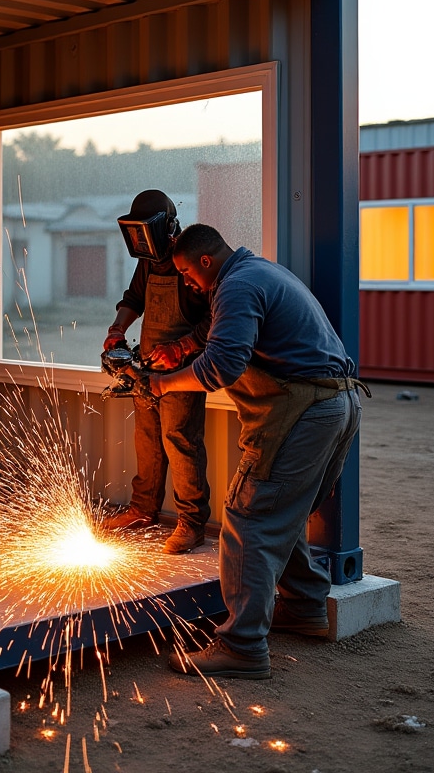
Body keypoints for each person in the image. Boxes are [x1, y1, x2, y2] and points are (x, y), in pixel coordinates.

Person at [149, 223, 368, 679]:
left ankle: (242, 646)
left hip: (304, 412)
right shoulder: (259, 272)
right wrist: (182, 349)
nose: (187, 282)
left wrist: (164, 384)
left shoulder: (238, 286)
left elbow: (222, 366)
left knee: (249, 518)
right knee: (280, 513)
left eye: (186, 272)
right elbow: (224, 337)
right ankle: (305, 607)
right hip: (337, 405)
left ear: (205, 261)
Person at [101, 190, 212, 554]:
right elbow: (134, 299)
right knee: (147, 440)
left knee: (181, 442)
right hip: (147, 368)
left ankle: (192, 523)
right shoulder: (149, 261)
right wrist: (117, 329)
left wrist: (180, 348)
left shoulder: (190, 260)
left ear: (167, 229)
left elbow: (214, 319)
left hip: (182, 373)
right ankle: (142, 510)